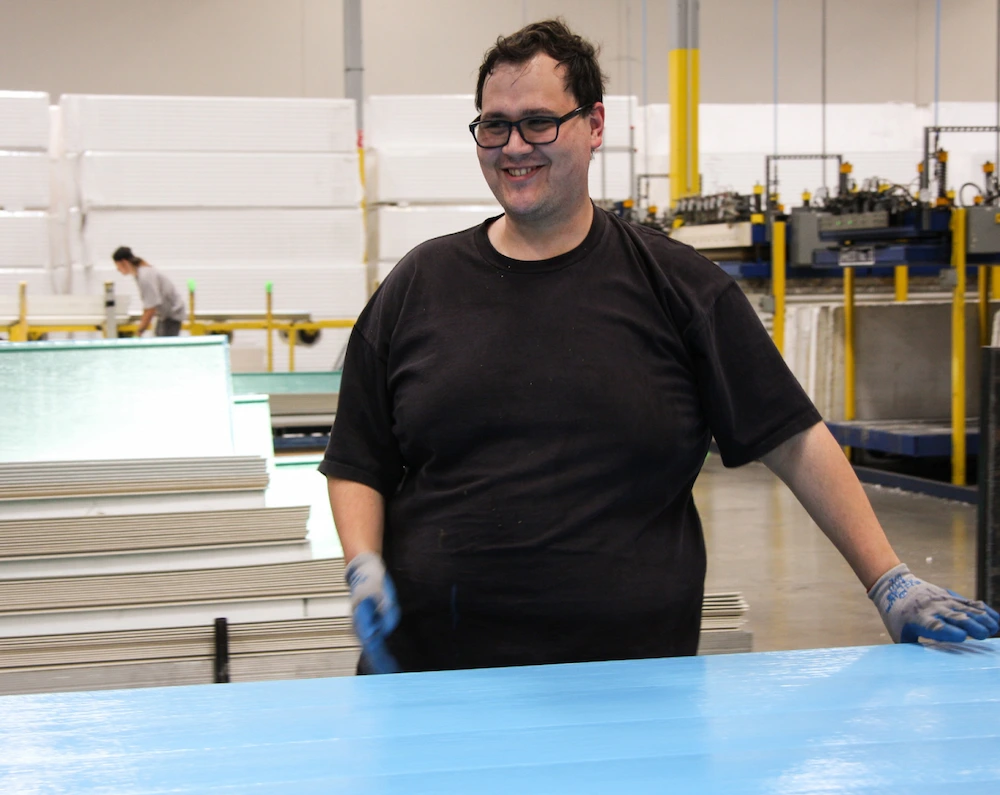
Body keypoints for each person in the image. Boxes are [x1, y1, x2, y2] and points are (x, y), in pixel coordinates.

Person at [321, 19, 999, 674]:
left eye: (538, 122)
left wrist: (891, 582)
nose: (513, 146)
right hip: (434, 682)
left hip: (629, 692)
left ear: (594, 125)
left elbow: (792, 437)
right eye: (494, 125)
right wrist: (363, 563)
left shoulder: (678, 288)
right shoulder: (420, 284)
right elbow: (359, 454)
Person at [111, 246, 187, 336]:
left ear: (124, 262)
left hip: (172, 314)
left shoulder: (145, 276)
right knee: (158, 339)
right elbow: (148, 305)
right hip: (165, 314)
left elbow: (151, 308)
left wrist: (139, 331)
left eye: (117, 265)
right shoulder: (141, 273)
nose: (118, 269)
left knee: (164, 346)